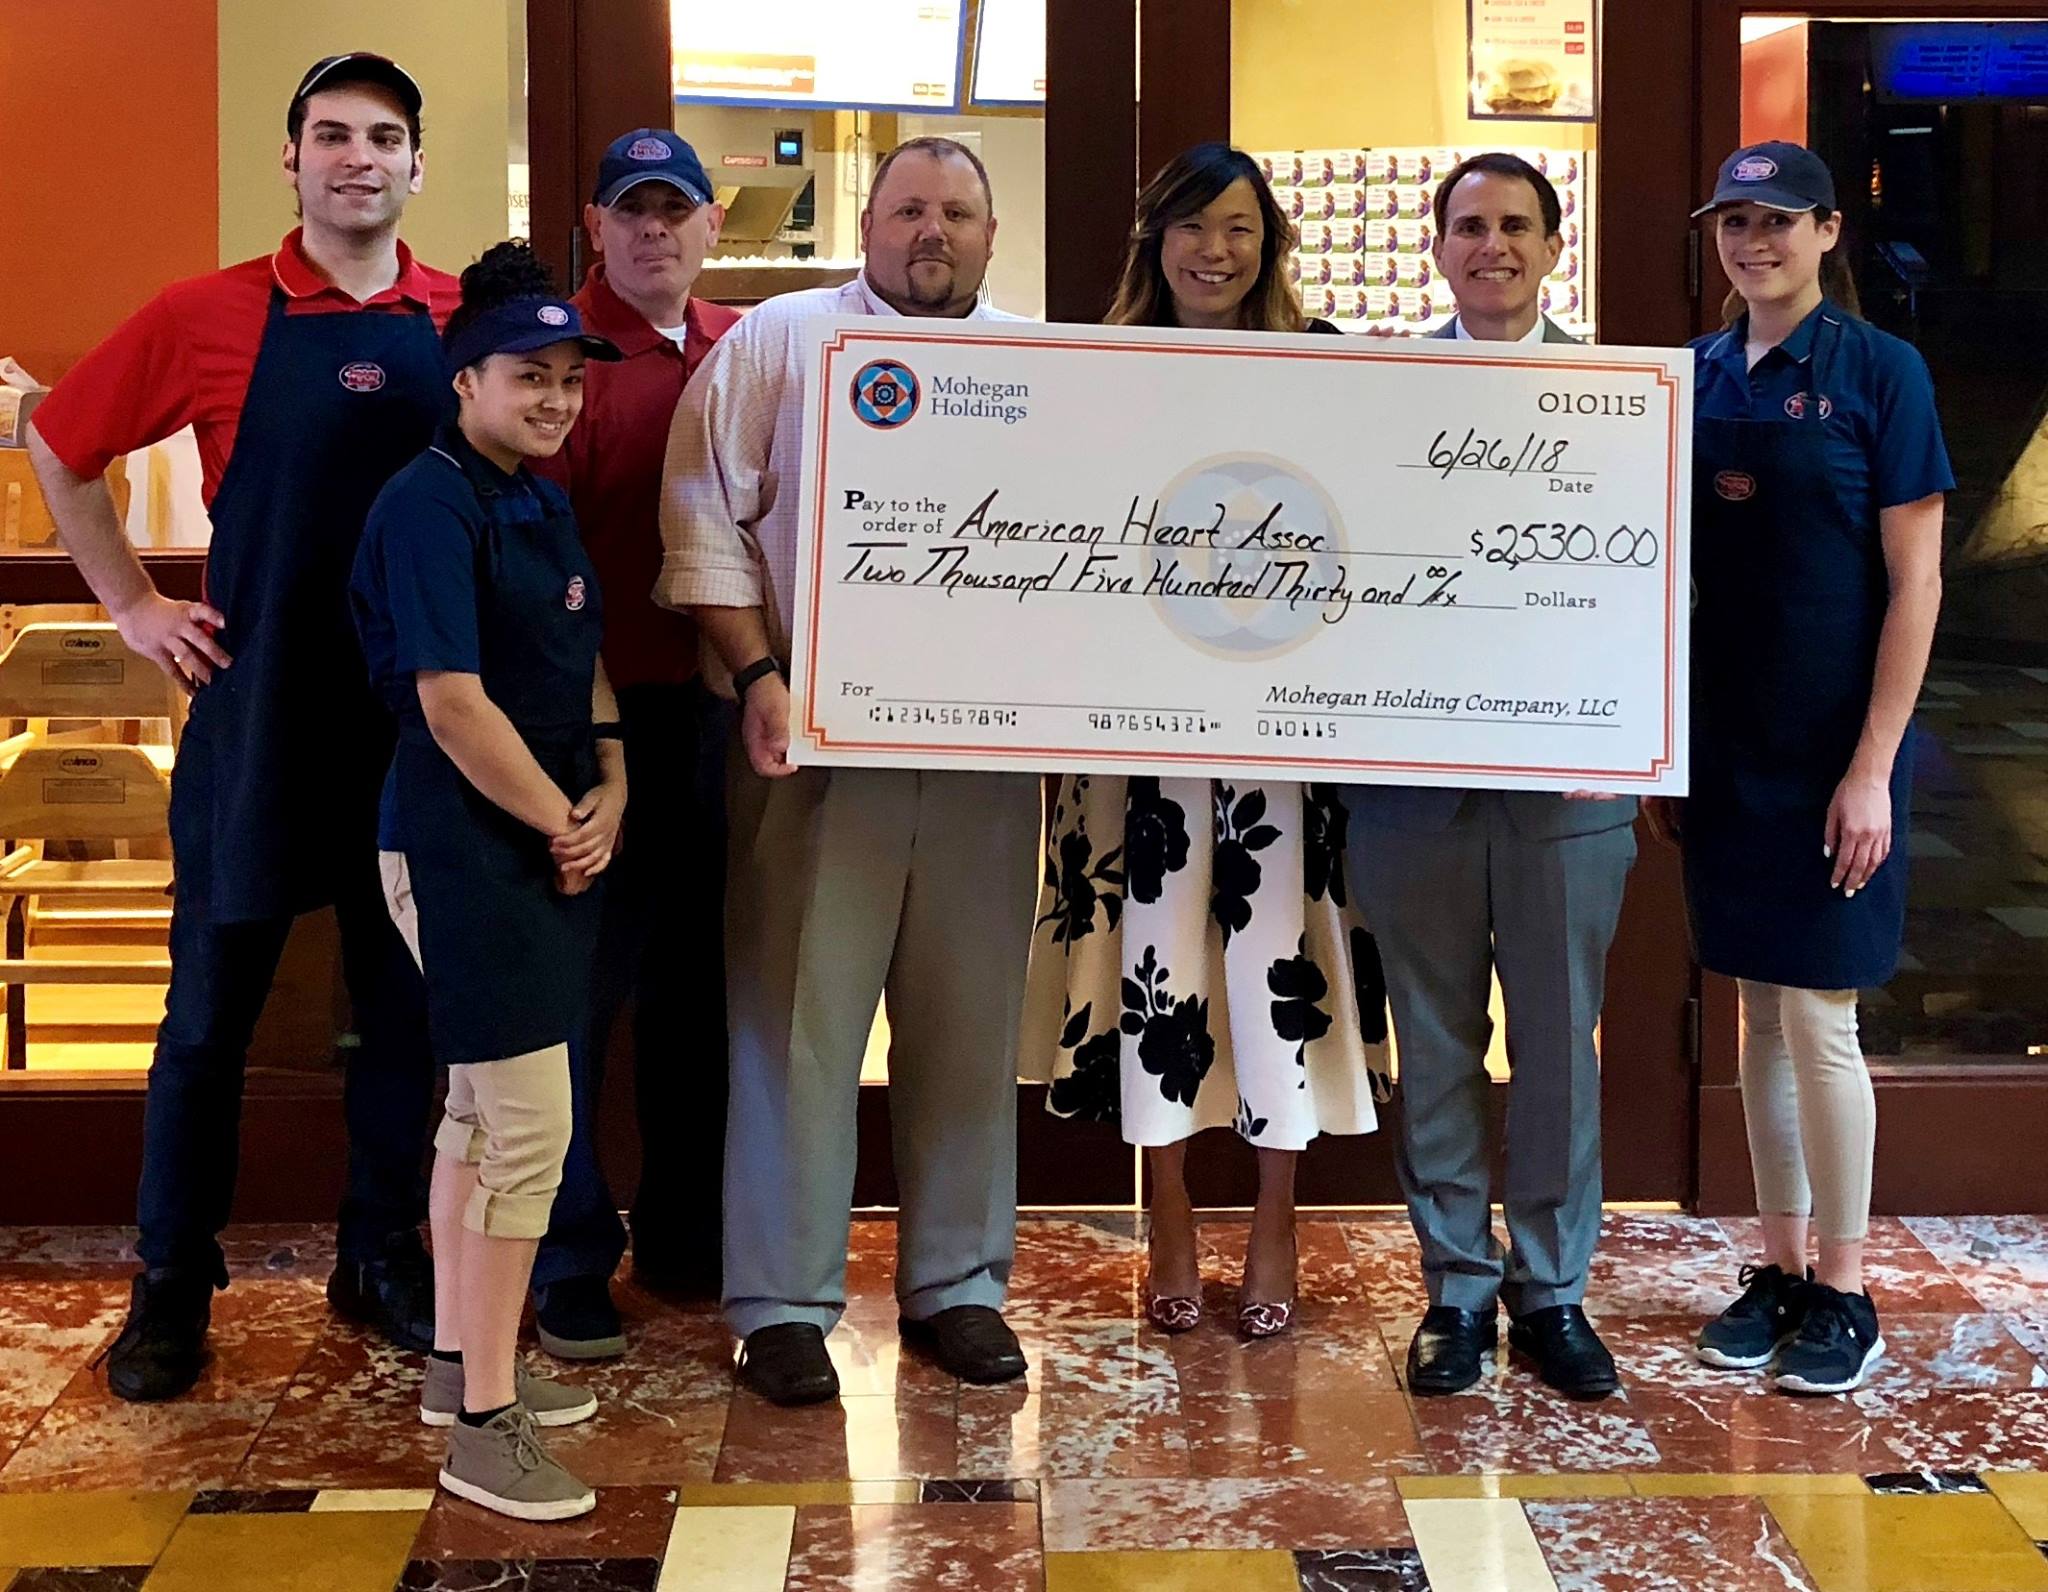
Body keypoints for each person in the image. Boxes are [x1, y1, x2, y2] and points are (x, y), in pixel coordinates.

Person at [26, 53, 455, 1400]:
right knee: (207, 1019)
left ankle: (380, 1254)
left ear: (416, 165)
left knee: (406, 1015)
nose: (356, 156)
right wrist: (132, 605)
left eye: (381, 136)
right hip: (259, 721)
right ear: (293, 159)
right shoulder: (204, 313)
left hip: (415, 725)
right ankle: (170, 1281)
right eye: (330, 134)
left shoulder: (459, 317)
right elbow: (58, 441)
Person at [657, 136, 1038, 1406]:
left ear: (990, 237)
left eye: (957, 213)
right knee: (793, 1025)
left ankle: (957, 1283)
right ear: (866, 224)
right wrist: (758, 674)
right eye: (909, 208)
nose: (933, 231)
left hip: (985, 757)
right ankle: (778, 1302)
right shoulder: (778, 340)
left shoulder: (1039, 364)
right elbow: (700, 518)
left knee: (969, 1026)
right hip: (807, 743)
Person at [1021, 143, 1389, 1341]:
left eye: (1236, 226)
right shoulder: (1100, 368)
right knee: (1152, 960)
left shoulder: (1325, 365)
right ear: (1155, 240)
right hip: (1137, 738)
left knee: (1278, 961)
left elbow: (1370, 541)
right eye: (1189, 225)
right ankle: (1169, 1213)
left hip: (1283, 735)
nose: (1212, 249)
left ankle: (1276, 1217)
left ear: (1267, 240)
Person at [1343, 153, 1638, 1399]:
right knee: (1434, 1042)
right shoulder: (1375, 399)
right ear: (1437, 249)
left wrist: (1623, 723)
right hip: (1410, 794)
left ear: (1552, 246)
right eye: (1468, 225)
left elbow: (1659, 587)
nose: (1491, 245)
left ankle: (1553, 1289)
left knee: (1559, 1045)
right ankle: (1456, 1285)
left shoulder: (1620, 404)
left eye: (1515, 224)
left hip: (1568, 791)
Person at [351, 241, 624, 1519]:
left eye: (570, 376)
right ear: (466, 379)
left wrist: (611, 774)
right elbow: (451, 703)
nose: (556, 397)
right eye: (531, 374)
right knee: (528, 1131)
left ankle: (462, 1364)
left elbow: (580, 657)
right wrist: (563, 823)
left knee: (476, 1115)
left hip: (540, 831)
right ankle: (484, 1429)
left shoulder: (535, 494)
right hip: (459, 844)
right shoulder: (428, 501)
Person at [1677, 142, 1948, 1396]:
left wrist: (1871, 768)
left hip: (1835, 752)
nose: (1753, 242)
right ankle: (1779, 1265)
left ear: (1828, 231)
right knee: (1755, 1011)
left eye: (1776, 220)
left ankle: (1844, 1286)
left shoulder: (1880, 372)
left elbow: (1915, 584)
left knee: (1819, 1017)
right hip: (1725, 751)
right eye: (1733, 221)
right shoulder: (1690, 373)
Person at [524, 128, 742, 1358]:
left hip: (718, 720)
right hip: (590, 727)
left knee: (698, 996)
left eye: (674, 210)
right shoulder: (564, 365)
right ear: (595, 228)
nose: (653, 230)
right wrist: (597, 740)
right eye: (630, 212)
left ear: (711, 224)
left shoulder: (745, 348)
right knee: (577, 1000)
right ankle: (565, 1256)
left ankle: (685, 1236)